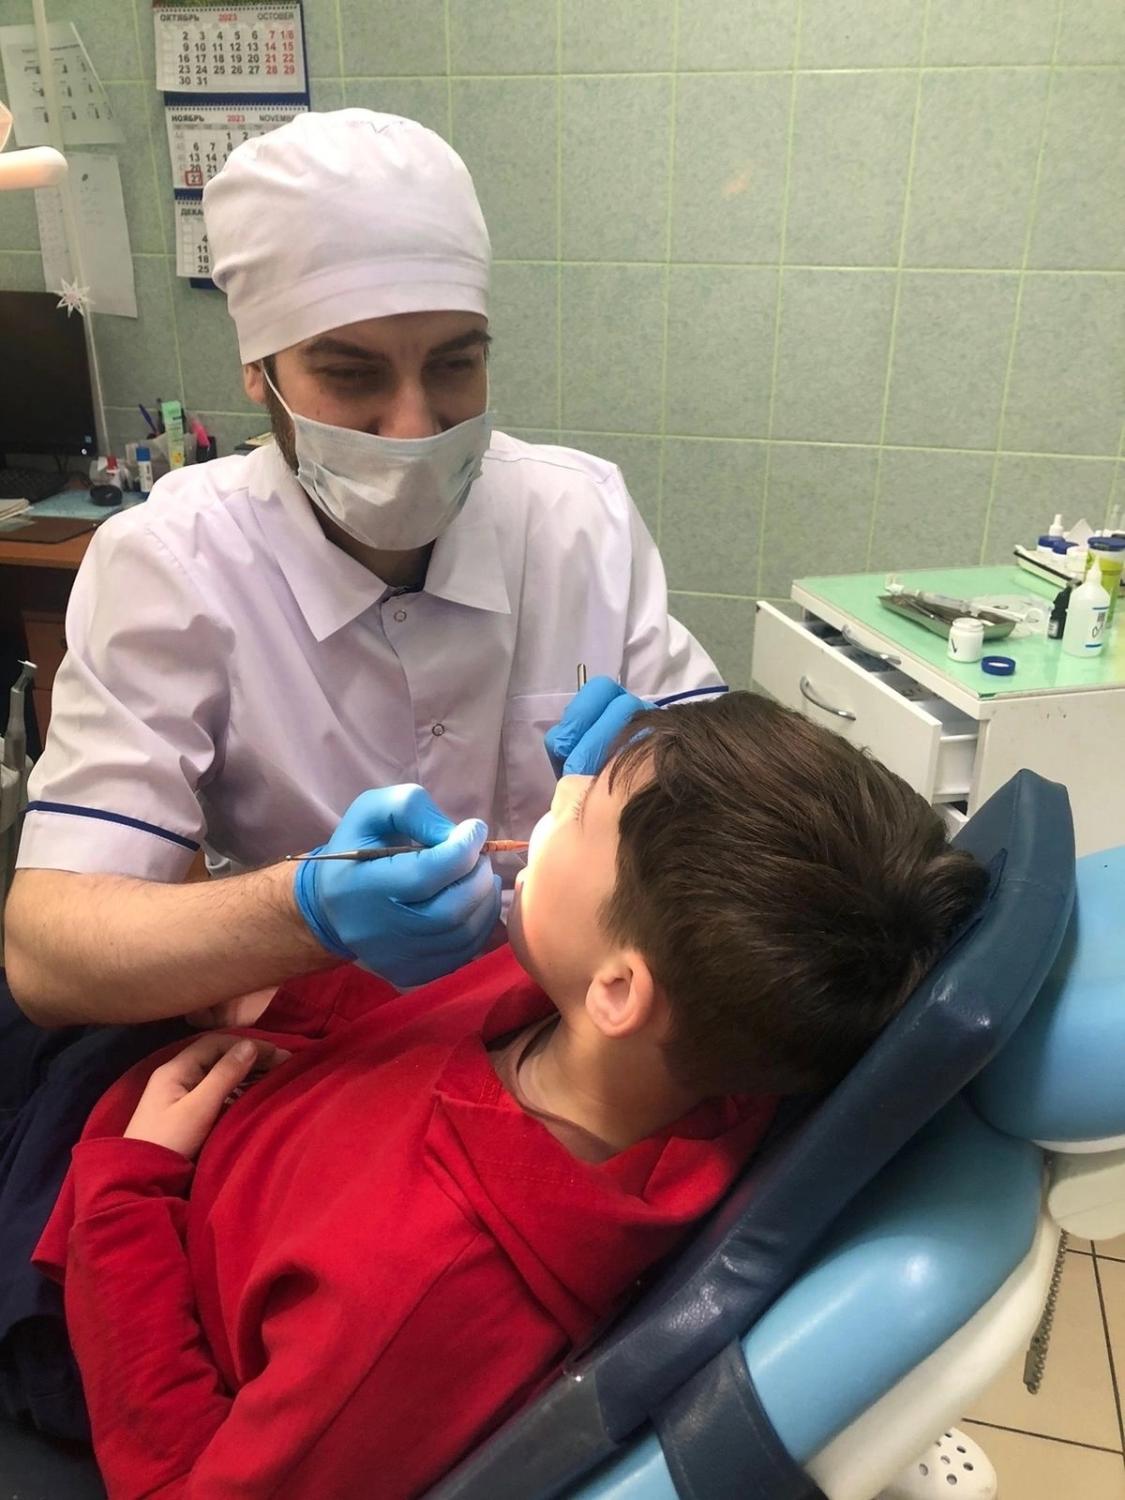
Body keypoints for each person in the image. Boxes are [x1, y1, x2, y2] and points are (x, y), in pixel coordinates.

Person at [2, 693, 987, 1497]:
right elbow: (409, 1046)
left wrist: (128, 1185)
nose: (556, 802)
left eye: (578, 816)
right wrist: (292, 987)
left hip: (101, 1276)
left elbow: (183, 1482)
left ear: (619, 990)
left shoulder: (421, 1295)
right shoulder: (670, 1040)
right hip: (226, 1100)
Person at [4, 109, 718, 1029]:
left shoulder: (581, 517)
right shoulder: (172, 561)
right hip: (326, 1045)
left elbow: (738, 806)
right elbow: (48, 953)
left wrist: (674, 772)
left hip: (567, 1030)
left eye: (454, 365)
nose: (414, 427)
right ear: (259, 371)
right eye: (351, 374)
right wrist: (302, 913)